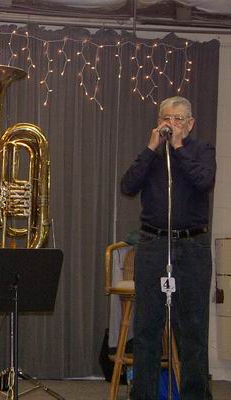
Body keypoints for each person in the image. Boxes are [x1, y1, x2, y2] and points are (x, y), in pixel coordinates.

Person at [121, 96, 216, 400]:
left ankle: (195, 395)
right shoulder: (152, 154)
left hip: (192, 245)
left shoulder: (202, 150)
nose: (171, 124)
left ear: (190, 124)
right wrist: (151, 149)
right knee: (148, 326)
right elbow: (127, 186)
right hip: (154, 244)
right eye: (166, 118)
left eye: (178, 119)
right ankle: (143, 395)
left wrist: (179, 148)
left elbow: (204, 181)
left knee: (193, 328)